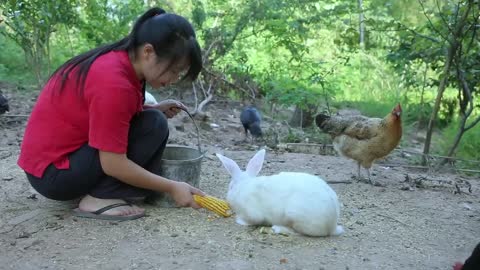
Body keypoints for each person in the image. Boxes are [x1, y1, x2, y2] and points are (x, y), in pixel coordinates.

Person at [17, 7, 205, 221]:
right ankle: (99, 197)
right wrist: (172, 186)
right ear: (148, 52)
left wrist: (153, 109)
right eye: (174, 70)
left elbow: (109, 115)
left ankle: (104, 190)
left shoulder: (123, 63)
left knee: (153, 120)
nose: (173, 78)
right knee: (154, 125)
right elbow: (112, 163)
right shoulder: (113, 81)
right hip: (54, 174)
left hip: (61, 162)